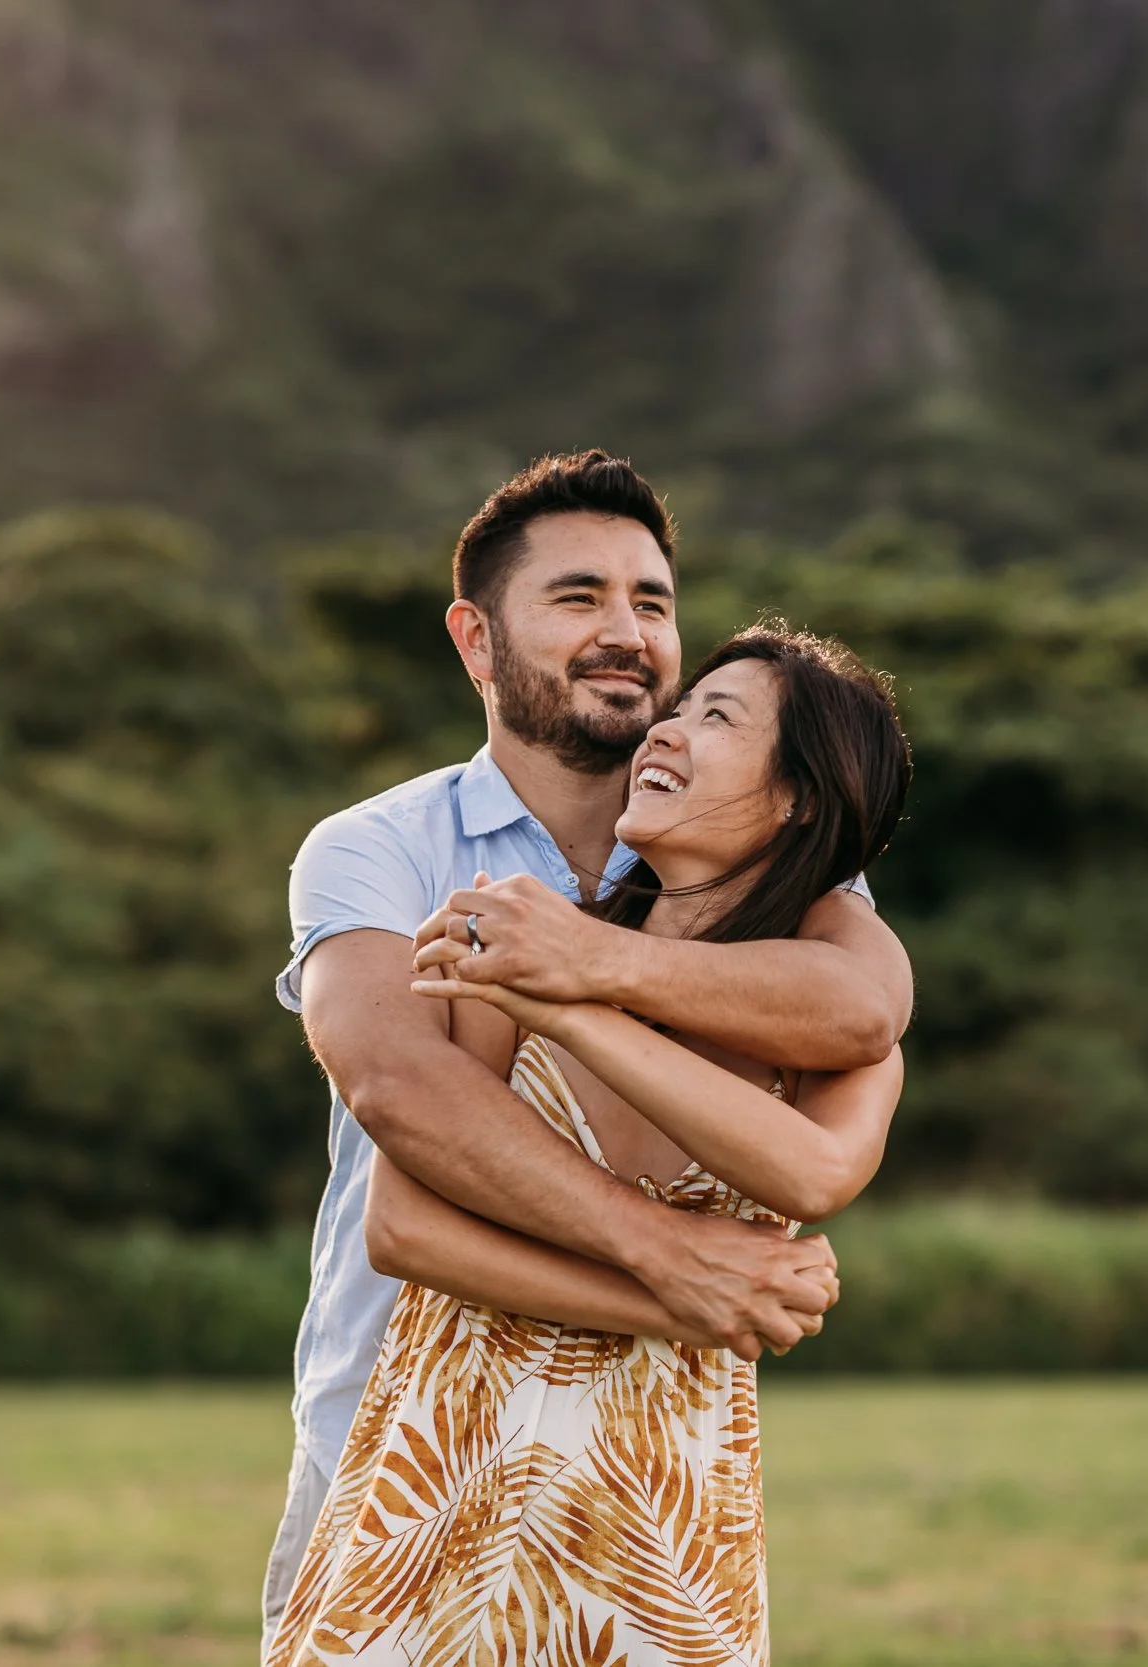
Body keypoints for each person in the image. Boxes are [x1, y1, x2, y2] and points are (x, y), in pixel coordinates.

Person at [265, 453, 913, 1642]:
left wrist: (578, 967)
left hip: (658, 1485)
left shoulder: (787, 890)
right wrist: (674, 1263)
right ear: (476, 641)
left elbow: (862, 1014)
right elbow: (402, 1094)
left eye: (652, 602)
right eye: (578, 598)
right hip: (397, 1433)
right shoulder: (377, 848)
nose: (626, 631)